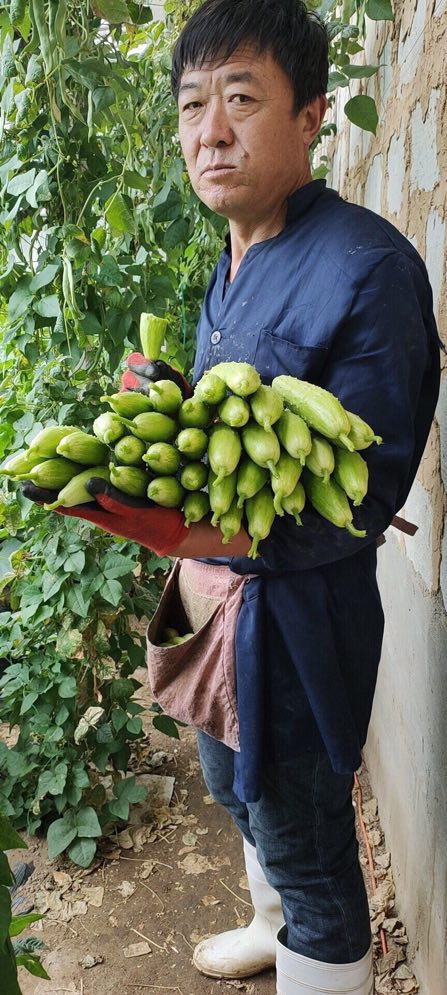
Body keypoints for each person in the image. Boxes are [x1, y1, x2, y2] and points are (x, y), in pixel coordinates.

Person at [24, 2, 441, 993]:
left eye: (241, 100)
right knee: (229, 781)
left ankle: (314, 943)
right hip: (211, 596)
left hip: (295, 620)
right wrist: (169, 405)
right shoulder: (238, 255)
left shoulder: (369, 269)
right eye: (192, 104)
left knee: (305, 838)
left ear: (310, 117)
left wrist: (205, 523)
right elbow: (229, 428)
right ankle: (271, 922)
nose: (208, 129)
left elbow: (364, 492)